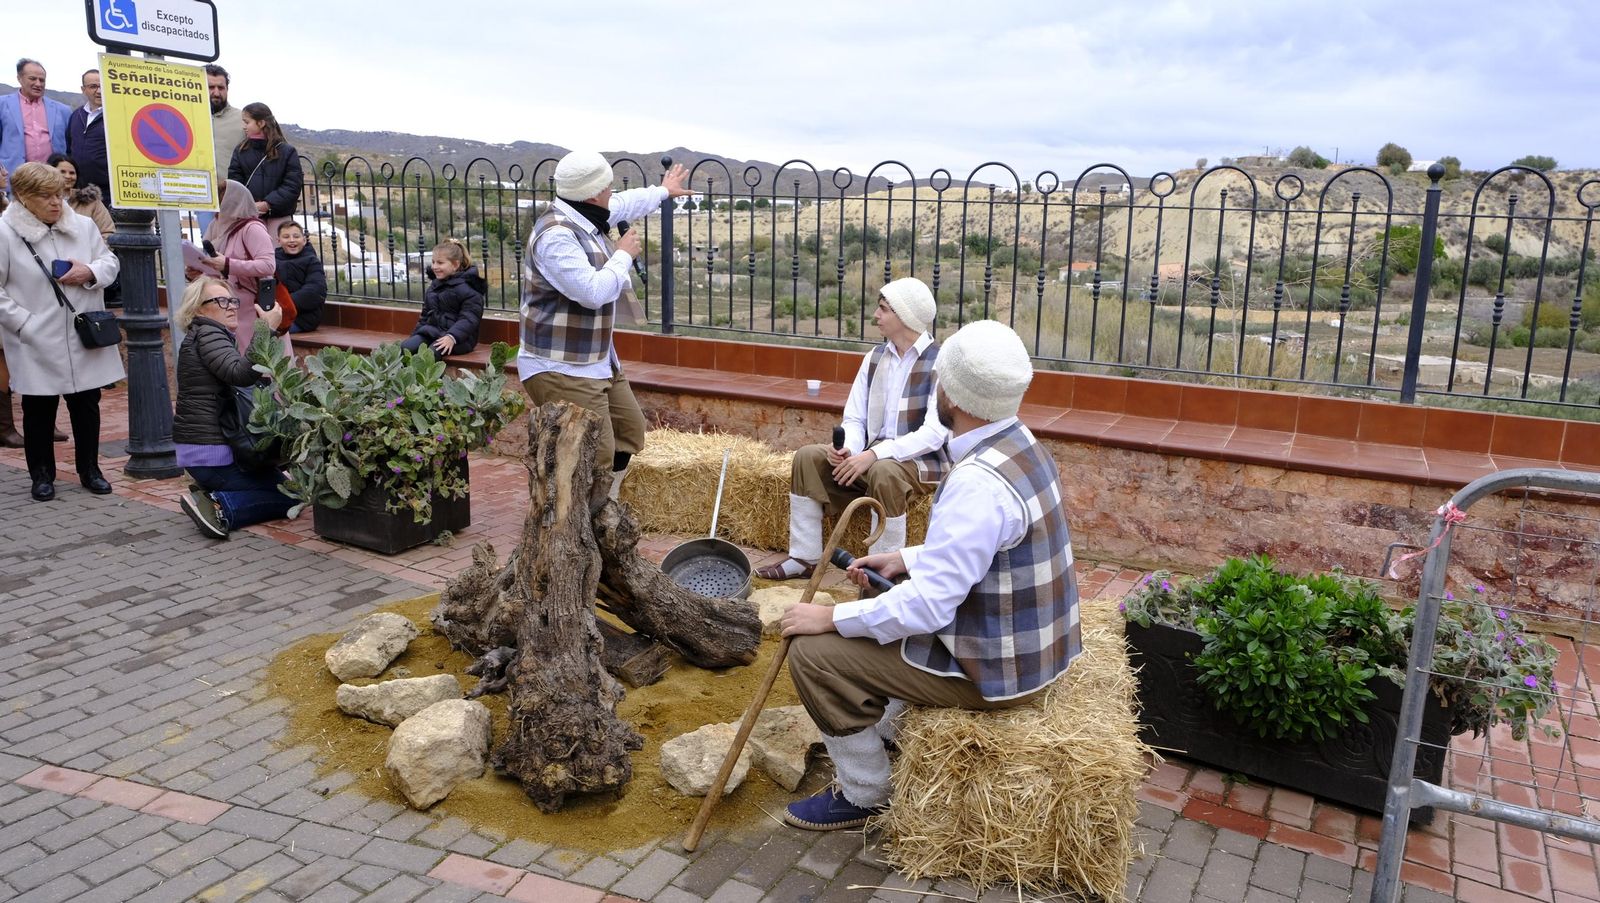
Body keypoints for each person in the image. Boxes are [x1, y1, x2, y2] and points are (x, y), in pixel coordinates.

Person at [776, 319, 1081, 831]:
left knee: (811, 655)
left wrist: (830, 618)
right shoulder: (1021, 442)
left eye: (942, 381)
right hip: (1037, 652)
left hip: (1000, 674)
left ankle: (866, 792)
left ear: (954, 396)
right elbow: (986, 550)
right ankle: (891, 728)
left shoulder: (976, 484)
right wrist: (907, 559)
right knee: (889, 599)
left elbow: (930, 609)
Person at [519, 151, 693, 499]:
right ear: (592, 193)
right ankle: (577, 525)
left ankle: (604, 510)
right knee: (595, 453)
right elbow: (592, 293)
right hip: (561, 365)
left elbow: (626, 203)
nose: (613, 193)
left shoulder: (584, 213)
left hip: (597, 360)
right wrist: (623, 255)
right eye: (608, 187)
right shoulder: (556, 235)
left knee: (630, 431)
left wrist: (663, 191)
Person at [755, 278, 949, 580]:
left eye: (883, 309)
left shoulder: (942, 363)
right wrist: (850, 451)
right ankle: (805, 558)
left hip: (922, 461)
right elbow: (855, 419)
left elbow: (935, 433)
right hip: (872, 456)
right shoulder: (874, 358)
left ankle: (880, 573)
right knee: (808, 457)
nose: (876, 315)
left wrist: (874, 455)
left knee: (886, 471)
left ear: (905, 317)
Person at [0, 163, 123, 501]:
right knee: (39, 407)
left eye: (60, 194)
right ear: (24, 198)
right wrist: (24, 323)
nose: (56, 202)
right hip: (35, 337)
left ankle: (90, 469)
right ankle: (41, 475)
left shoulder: (82, 226)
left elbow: (110, 262)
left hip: (83, 332)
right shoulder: (5, 232)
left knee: (87, 403)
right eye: (46, 196)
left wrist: (89, 271)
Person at [173, 276, 292, 539]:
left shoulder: (205, 336)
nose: (231, 306)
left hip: (209, 451)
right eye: (220, 301)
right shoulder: (209, 333)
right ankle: (221, 507)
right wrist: (266, 329)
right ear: (198, 309)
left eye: (232, 300)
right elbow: (240, 374)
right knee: (293, 498)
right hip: (213, 455)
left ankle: (211, 492)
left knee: (285, 485)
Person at [201, 180, 277, 350]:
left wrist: (228, 264)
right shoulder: (218, 227)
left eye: (221, 205)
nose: (217, 212)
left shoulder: (251, 228)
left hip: (253, 309)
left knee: (258, 360)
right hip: (229, 308)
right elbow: (217, 267)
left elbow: (268, 265)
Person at [226, 103, 301, 243]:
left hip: (279, 217)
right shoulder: (240, 150)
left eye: (247, 122)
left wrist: (268, 204)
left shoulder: (287, 152)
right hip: (249, 217)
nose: (244, 126)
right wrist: (248, 204)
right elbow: (235, 182)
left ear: (260, 123)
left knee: (277, 258)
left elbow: (292, 185)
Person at [402, 238, 484, 360]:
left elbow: (469, 319)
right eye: (433, 262)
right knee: (405, 347)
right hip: (432, 332)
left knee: (431, 353)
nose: (435, 267)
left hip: (460, 338)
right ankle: (405, 378)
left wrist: (452, 336)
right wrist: (415, 336)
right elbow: (425, 316)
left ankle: (432, 380)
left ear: (455, 264)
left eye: (440, 263)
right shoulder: (434, 287)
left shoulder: (470, 289)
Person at [0, 60, 72, 180]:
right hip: (14, 178)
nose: (38, 84)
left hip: (52, 180)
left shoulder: (63, 110)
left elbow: (70, 146)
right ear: (19, 78)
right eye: (32, 79)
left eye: (42, 80)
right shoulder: (2, 104)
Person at [197, 64, 243, 235]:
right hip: (203, 199)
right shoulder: (187, 118)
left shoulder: (243, 119)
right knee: (212, 250)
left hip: (235, 199)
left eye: (221, 87)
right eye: (210, 87)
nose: (216, 92)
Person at [64, 68, 109, 201]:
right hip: (79, 189)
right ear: (83, 90)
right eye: (93, 86)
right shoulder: (76, 116)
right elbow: (69, 149)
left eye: (102, 86)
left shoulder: (116, 115)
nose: (99, 91)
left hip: (108, 192)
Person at [274, 221, 326, 333]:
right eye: (286, 237)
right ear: (279, 241)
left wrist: (283, 304)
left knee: (268, 334)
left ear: (304, 240)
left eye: (296, 236)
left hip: (302, 319)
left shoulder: (312, 261)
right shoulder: (272, 259)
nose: (292, 240)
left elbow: (315, 291)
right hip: (275, 314)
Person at [48, 154, 114, 238]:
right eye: (62, 172)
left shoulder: (91, 201)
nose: (68, 176)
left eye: (72, 173)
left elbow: (108, 231)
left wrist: (96, 250)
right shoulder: (41, 201)